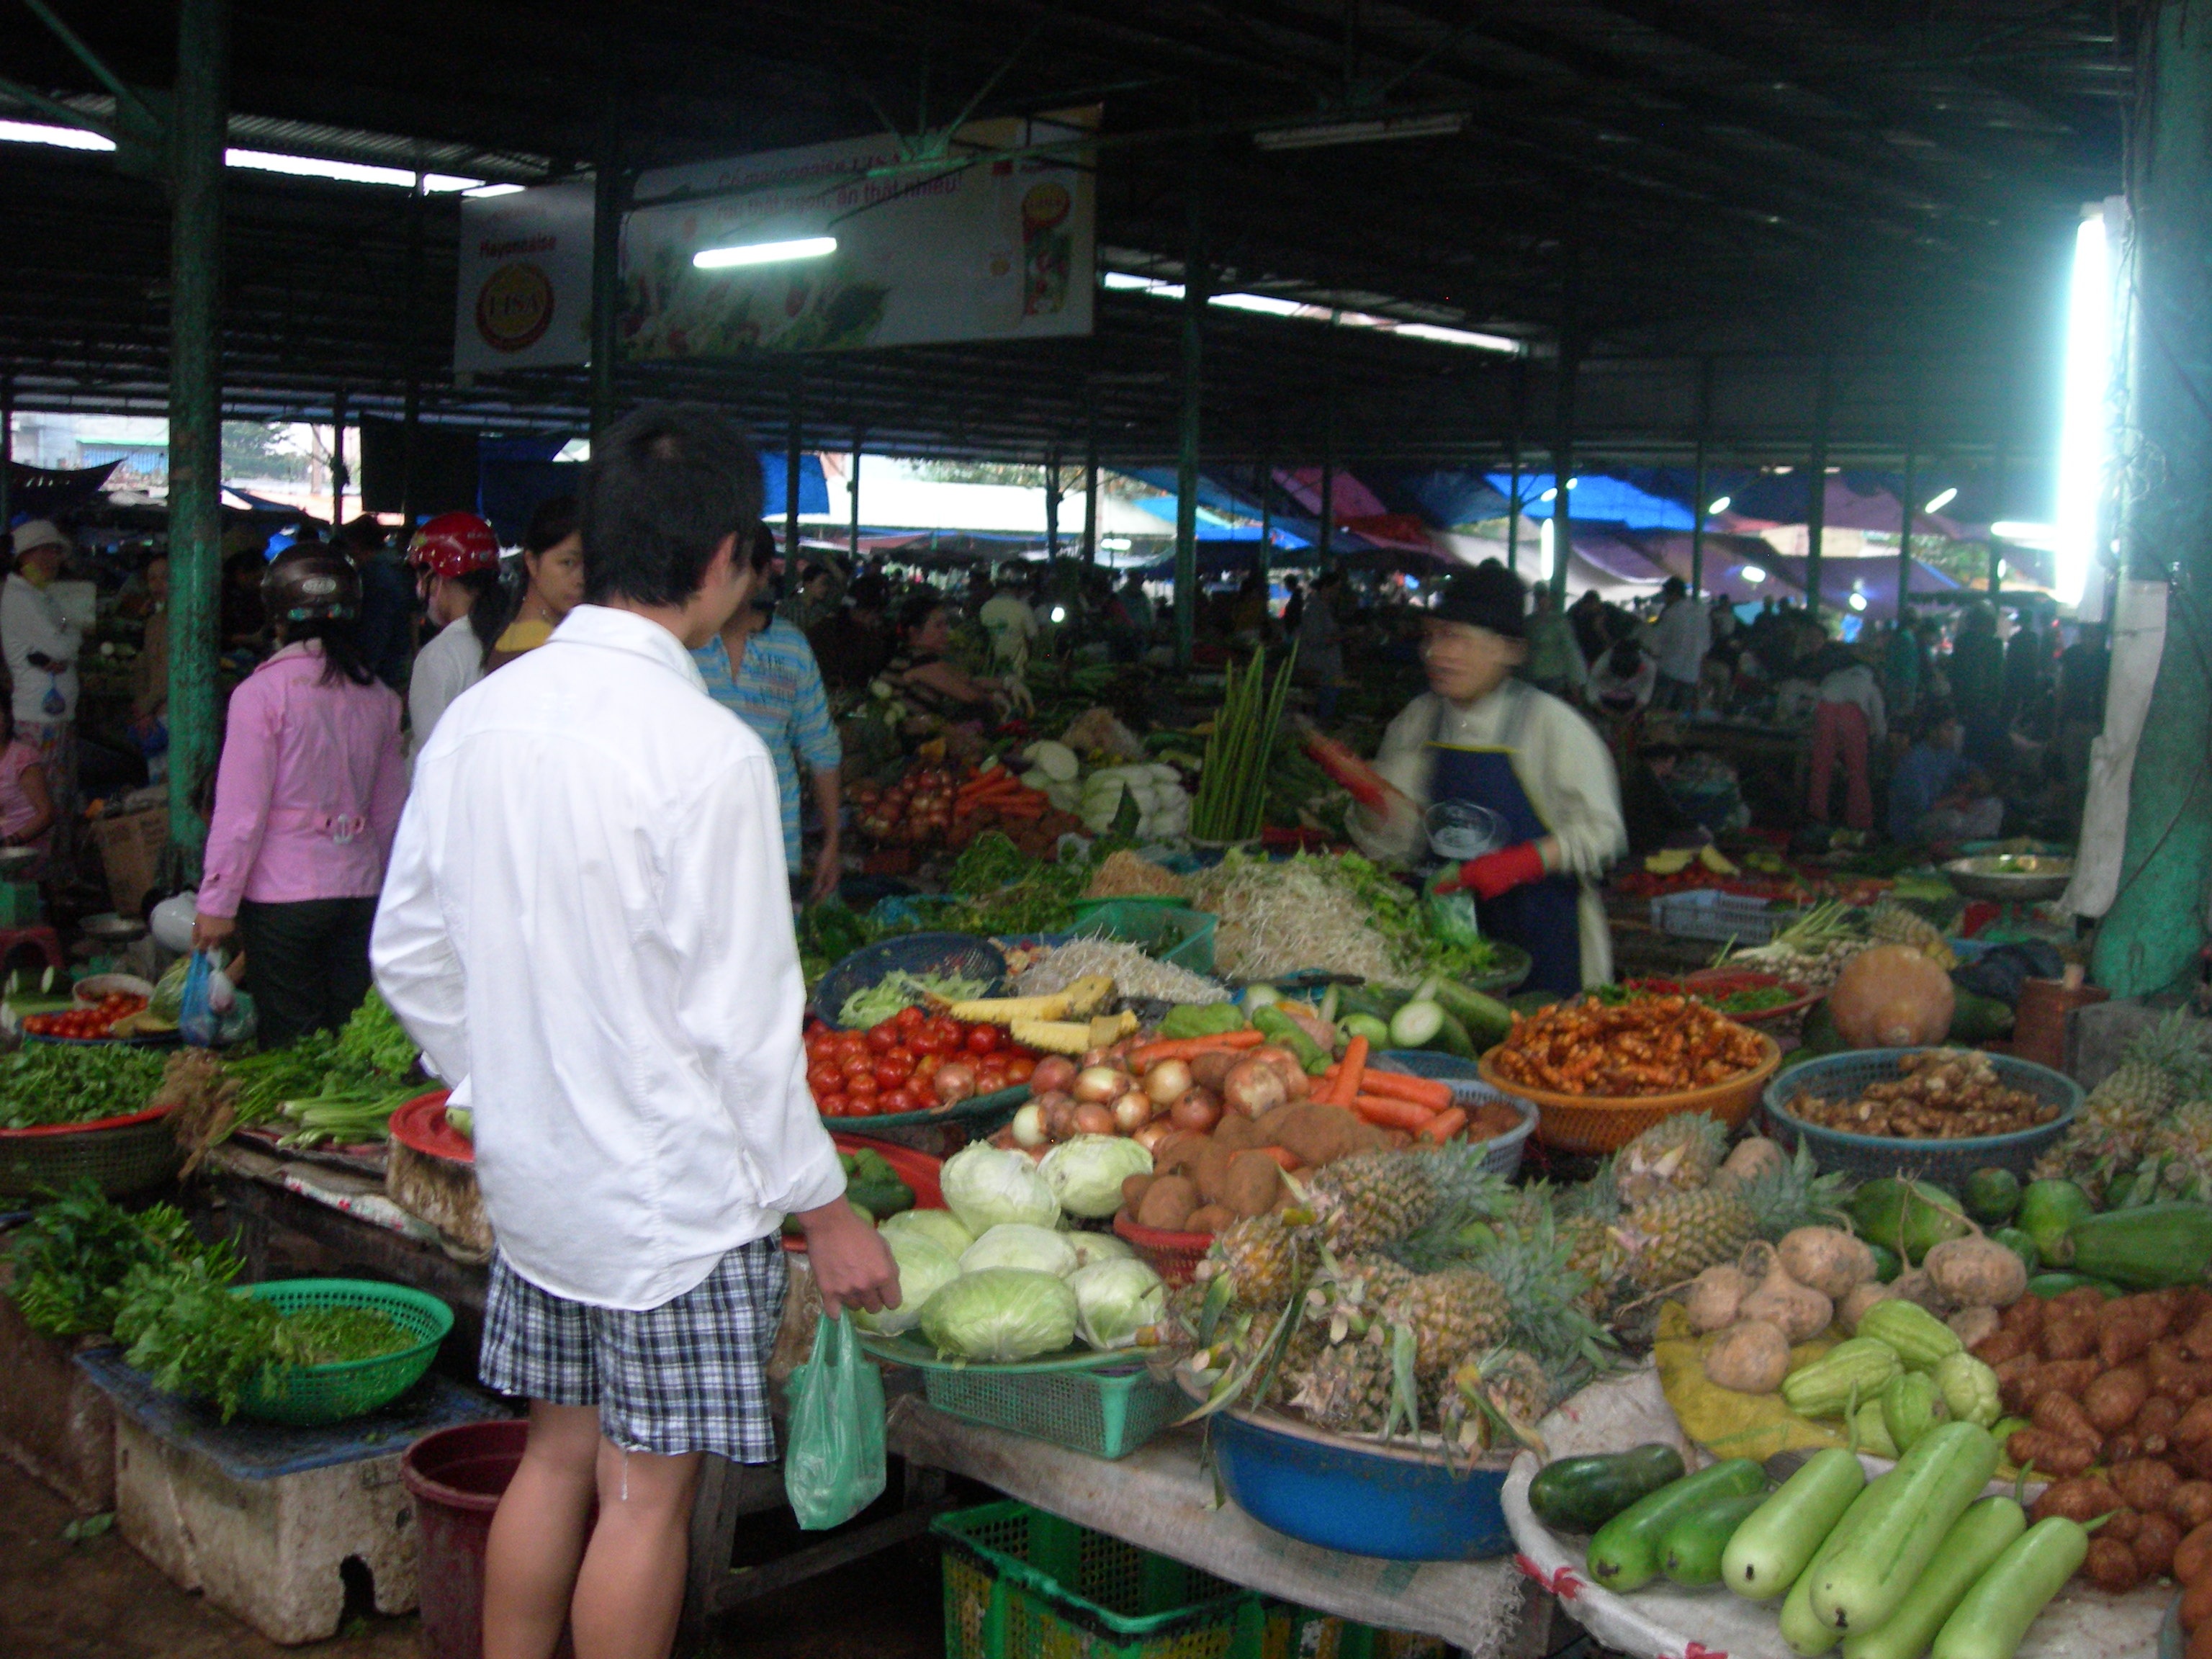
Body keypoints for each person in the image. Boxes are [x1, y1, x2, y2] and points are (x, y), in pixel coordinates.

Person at [372, 404, 896, 1659]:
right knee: (645, 1488)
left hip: (539, 1181)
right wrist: (822, 1206)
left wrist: (504, 1076)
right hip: (672, 1201)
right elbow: (746, 1026)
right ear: (726, 557)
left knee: (557, 1452)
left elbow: (405, 951)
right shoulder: (707, 753)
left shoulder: (482, 719)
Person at [1348, 565, 1626, 995]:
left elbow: (1603, 834)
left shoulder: (1550, 725)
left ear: (1510, 650)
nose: (1435, 653)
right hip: (1440, 955)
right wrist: (1369, 800)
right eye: (1432, 636)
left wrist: (1523, 861)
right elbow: (1395, 844)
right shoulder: (1419, 720)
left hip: (1545, 944)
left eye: (1455, 637)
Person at [194, 547, 408, 1048]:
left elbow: (241, 815)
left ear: (276, 618)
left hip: (283, 901)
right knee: (350, 1039)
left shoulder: (261, 695)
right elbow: (390, 814)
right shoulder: (379, 697)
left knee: (293, 1045)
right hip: (358, 894)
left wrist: (217, 902)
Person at [694, 525, 845, 905]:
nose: (721, 583)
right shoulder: (680, 646)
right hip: (693, 842)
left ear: (762, 576)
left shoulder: (791, 647)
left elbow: (821, 748)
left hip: (774, 841)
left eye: (737, 571)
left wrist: (832, 841)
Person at [3, 521, 84, 858]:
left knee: (60, 796)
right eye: (48, 551)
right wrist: (68, 641)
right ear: (27, 557)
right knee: (44, 801)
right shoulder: (19, 598)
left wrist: (67, 640)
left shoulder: (40, 597)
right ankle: (45, 875)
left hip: (53, 716)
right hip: (38, 717)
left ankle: (58, 876)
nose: (55, 559)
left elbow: (69, 640)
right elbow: (66, 645)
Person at [405, 512, 504, 757]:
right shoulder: (510, 637)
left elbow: (430, 753)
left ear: (436, 577)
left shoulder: (440, 655)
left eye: (420, 576)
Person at [888, 598, 1032, 719]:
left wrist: (1007, 684)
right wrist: (994, 698)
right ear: (914, 632)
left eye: (946, 624)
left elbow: (968, 679)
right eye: (938, 626)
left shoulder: (925, 658)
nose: (946, 631)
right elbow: (968, 695)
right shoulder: (917, 662)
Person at [487, 498, 585, 670]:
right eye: (568, 563)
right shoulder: (554, 649)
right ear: (531, 562)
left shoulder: (506, 639)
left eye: (590, 566)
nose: (581, 579)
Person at [1889, 706, 2002, 845]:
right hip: (1912, 825)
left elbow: (1965, 767)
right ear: (1932, 731)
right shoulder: (1914, 761)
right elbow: (1922, 807)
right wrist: (1956, 799)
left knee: (1993, 806)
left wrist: (1978, 776)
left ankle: (1977, 848)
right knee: (1953, 819)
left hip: (1942, 813)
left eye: (1953, 729)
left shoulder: (1945, 754)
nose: (1952, 734)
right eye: (1948, 729)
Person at [1807, 647, 1887, 832]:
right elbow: (1879, 718)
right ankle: (1858, 822)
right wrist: (1880, 740)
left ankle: (1817, 817)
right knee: (1857, 771)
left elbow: (1814, 707)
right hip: (1853, 715)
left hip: (1826, 710)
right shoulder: (1870, 682)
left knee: (1821, 768)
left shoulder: (1833, 676)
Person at [336, 516, 418, 691]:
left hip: (383, 669)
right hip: (402, 661)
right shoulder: (401, 568)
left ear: (357, 544)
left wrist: (364, 669)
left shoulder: (373, 575)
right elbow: (414, 616)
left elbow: (376, 629)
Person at [807, 572, 893, 690]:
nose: (876, 620)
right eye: (876, 614)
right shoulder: (869, 641)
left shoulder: (821, 629)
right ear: (868, 612)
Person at [1949, 603, 2006, 768]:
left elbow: (1955, 672)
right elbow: (1997, 677)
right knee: (1982, 742)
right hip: (1985, 702)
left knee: (1964, 741)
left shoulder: (1962, 642)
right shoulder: (1994, 645)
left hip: (1964, 700)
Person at [2054, 621, 2109, 786]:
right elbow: (2062, 689)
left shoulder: (2107, 659)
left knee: (2091, 775)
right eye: (2088, 635)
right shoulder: (2073, 656)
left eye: (2095, 636)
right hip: (2074, 722)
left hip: (2095, 725)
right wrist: (2058, 726)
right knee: (2073, 773)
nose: (2091, 640)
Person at [0, 705, 57, 859]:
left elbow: (47, 814)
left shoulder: (22, 757)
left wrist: (11, 841)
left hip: (21, 851)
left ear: (6, 721)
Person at [1645, 577, 1710, 711]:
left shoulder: (1671, 613)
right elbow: (1705, 650)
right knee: (1678, 719)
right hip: (1691, 675)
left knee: (1659, 714)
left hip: (1668, 671)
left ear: (1673, 594)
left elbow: (1654, 644)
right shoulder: (1701, 613)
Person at [1521, 583, 1588, 701]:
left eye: (1544, 597)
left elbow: (1570, 651)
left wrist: (1575, 681)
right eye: (1539, 597)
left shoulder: (1559, 623)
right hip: (1532, 676)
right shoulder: (1529, 622)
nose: (1541, 601)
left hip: (1552, 677)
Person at [1298, 570, 1346, 717]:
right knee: (1321, 714)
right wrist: (1342, 636)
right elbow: (1315, 640)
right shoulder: (1314, 610)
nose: (1337, 593)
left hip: (1326, 671)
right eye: (1335, 588)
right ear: (1325, 588)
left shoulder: (1324, 609)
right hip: (1319, 671)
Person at [977, 566, 1039, 673]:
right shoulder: (1023, 609)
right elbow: (1034, 637)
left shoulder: (986, 607)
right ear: (1019, 587)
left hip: (988, 668)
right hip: (1016, 670)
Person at [1589, 637, 1656, 716]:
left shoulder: (1649, 665)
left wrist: (1632, 713)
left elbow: (1646, 691)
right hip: (1605, 697)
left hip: (1632, 699)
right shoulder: (1602, 663)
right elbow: (1591, 689)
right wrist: (1605, 711)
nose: (1623, 681)